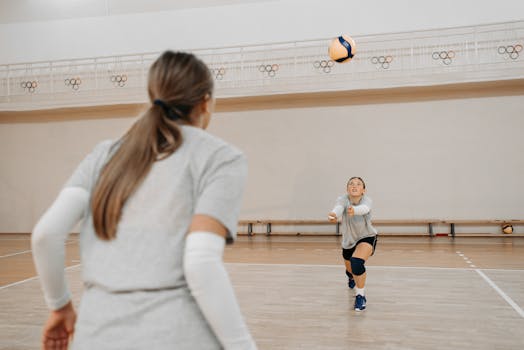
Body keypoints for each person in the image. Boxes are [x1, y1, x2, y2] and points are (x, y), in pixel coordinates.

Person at [31, 51, 257, 350]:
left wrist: (59, 306)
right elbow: (201, 261)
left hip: (95, 336)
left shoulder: (104, 154)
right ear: (205, 101)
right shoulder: (221, 158)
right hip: (177, 335)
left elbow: (45, 235)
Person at [328, 177, 378, 312]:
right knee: (351, 271)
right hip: (349, 241)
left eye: (358, 184)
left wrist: (354, 210)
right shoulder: (343, 199)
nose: (354, 186)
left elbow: (364, 209)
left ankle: (360, 296)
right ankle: (350, 277)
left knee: (356, 262)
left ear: (363, 190)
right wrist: (333, 215)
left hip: (366, 237)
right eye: (351, 184)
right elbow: (338, 208)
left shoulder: (366, 200)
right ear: (347, 189)